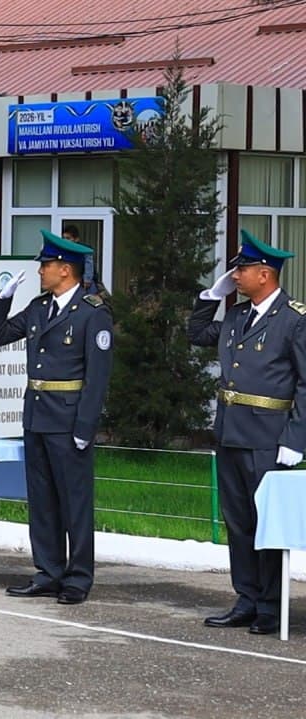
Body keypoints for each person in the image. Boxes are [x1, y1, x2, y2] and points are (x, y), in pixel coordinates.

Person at [188, 230, 306, 635]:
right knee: (239, 522)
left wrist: (295, 439)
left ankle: (271, 607)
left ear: (266, 273)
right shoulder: (236, 316)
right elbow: (197, 334)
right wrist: (210, 297)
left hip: (269, 437)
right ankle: (247, 598)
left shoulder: (294, 319)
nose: (235, 275)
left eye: (242, 269)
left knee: (266, 523)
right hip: (231, 432)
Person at [0, 229, 112, 605]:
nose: (40, 270)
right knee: (42, 500)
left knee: (74, 502)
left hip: (69, 419)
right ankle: (48, 571)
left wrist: (85, 426)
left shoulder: (93, 313)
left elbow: (97, 376)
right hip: (37, 416)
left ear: (65, 269)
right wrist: (2, 299)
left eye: (46, 264)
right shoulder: (40, 308)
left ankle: (77, 576)